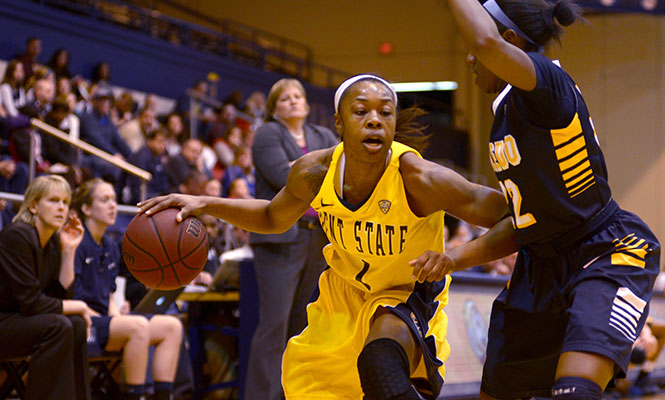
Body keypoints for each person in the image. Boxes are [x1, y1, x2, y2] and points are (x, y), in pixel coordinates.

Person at [137, 74, 516, 399]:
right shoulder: (315, 171)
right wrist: (205, 202)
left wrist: (455, 258)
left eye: (385, 112)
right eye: (361, 111)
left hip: (405, 292)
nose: (374, 121)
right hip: (342, 295)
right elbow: (272, 216)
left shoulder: (418, 178)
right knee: (309, 385)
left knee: (381, 365)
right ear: (338, 122)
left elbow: (514, 217)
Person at [447, 1, 662, 398]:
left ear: (509, 40)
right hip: (538, 268)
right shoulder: (506, 115)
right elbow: (524, 224)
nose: (470, 55)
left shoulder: (547, 82)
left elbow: (483, 39)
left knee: (574, 392)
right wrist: (453, 259)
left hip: (603, 251)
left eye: (478, 49)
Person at [71, 178, 183, 400]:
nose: (113, 205)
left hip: (104, 321)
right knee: (138, 326)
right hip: (82, 322)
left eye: (114, 199)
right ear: (85, 208)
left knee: (172, 326)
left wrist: (115, 316)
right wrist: (115, 321)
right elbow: (72, 296)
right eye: (105, 200)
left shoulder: (111, 245)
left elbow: (110, 294)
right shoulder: (76, 241)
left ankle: (163, 397)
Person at [0, 174, 92, 400]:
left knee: (76, 325)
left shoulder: (51, 241)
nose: (61, 208)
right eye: (53, 200)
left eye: (65, 202)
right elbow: (33, 304)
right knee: (58, 325)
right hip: (4, 319)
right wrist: (79, 305)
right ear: (33, 205)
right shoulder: (18, 236)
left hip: (19, 320)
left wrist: (69, 251)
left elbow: (59, 297)